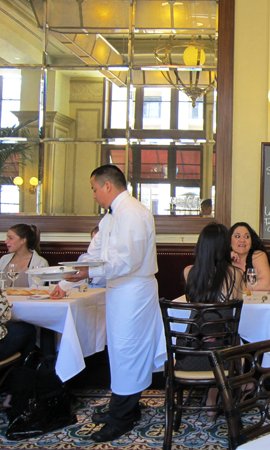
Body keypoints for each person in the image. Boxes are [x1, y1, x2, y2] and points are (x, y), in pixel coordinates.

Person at [50, 164, 166, 442]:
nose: (93, 195)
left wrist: (89, 273)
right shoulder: (109, 219)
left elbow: (130, 260)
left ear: (107, 186)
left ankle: (121, 416)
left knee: (129, 352)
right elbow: (92, 255)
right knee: (119, 351)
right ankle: (125, 406)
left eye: (94, 189)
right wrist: (65, 283)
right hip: (118, 292)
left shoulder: (134, 213)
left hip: (135, 293)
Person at [180, 223, 244, 419]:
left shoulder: (189, 272)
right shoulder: (235, 275)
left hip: (190, 354)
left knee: (212, 338)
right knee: (231, 339)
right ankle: (217, 396)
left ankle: (209, 397)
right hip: (222, 358)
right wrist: (237, 264)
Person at [230, 222, 270, 291]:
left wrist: (234, 288)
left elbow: (266, 284)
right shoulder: (224, 256)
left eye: (246, 237)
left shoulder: (258, 255)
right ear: (229, 241)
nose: (242, 240)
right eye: (237, 236)